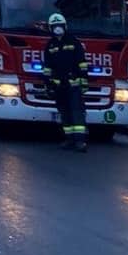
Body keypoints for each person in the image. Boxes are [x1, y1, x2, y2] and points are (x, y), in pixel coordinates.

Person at [42, 12, 88, 151]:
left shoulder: (74, 42)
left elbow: (82, 63)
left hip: (73, 84)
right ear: (50, 28)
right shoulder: (50, 45)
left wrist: (84, 81)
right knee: (65, 113)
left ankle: (80, 142)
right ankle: (69, 140)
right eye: (55, 26)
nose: (57, 28)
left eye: (60, 26)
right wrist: (48, 84)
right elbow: (48, 67)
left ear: (65, 26)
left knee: (76, 112)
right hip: (59, 86)